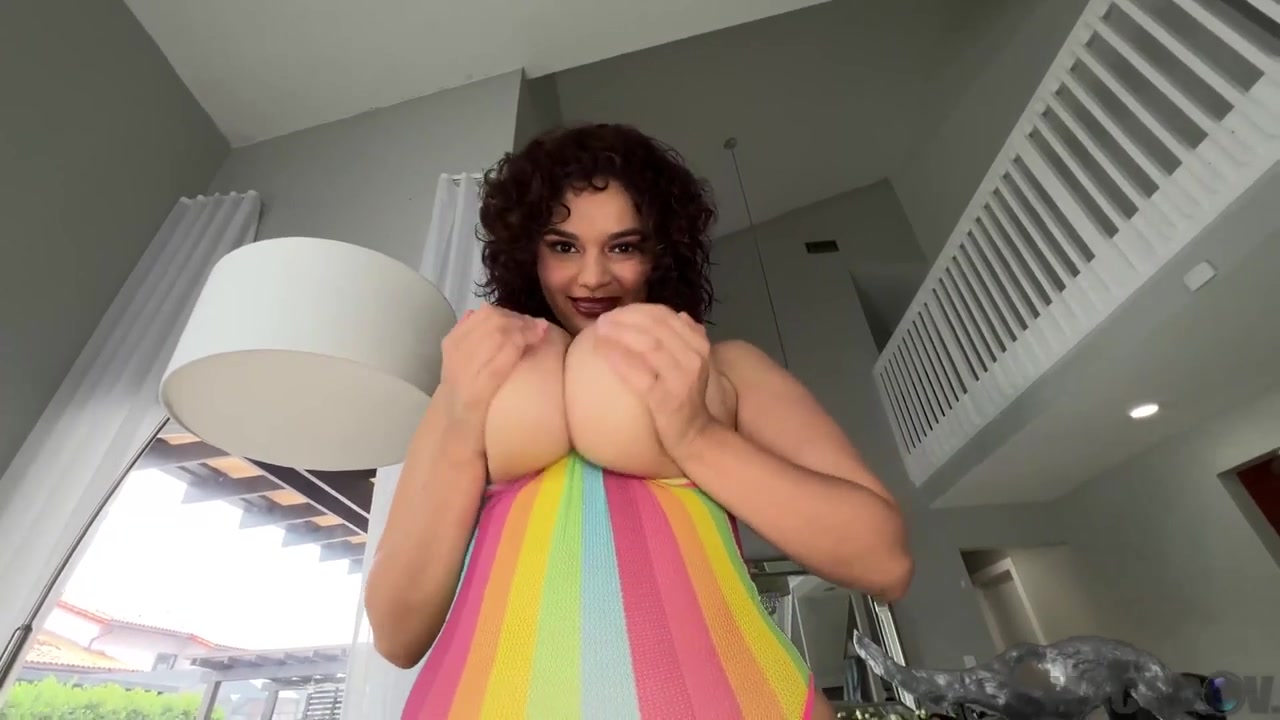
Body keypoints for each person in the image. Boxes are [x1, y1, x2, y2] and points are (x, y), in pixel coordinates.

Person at [363, 123, 913, 719]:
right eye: (564, 246)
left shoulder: (728, 368)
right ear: (529, 251)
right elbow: (396, 635)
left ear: (659, 254)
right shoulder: (474, 382)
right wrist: (462, 418)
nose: (593, 277)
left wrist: (695, 437)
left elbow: (885, 563)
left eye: (623, 247)